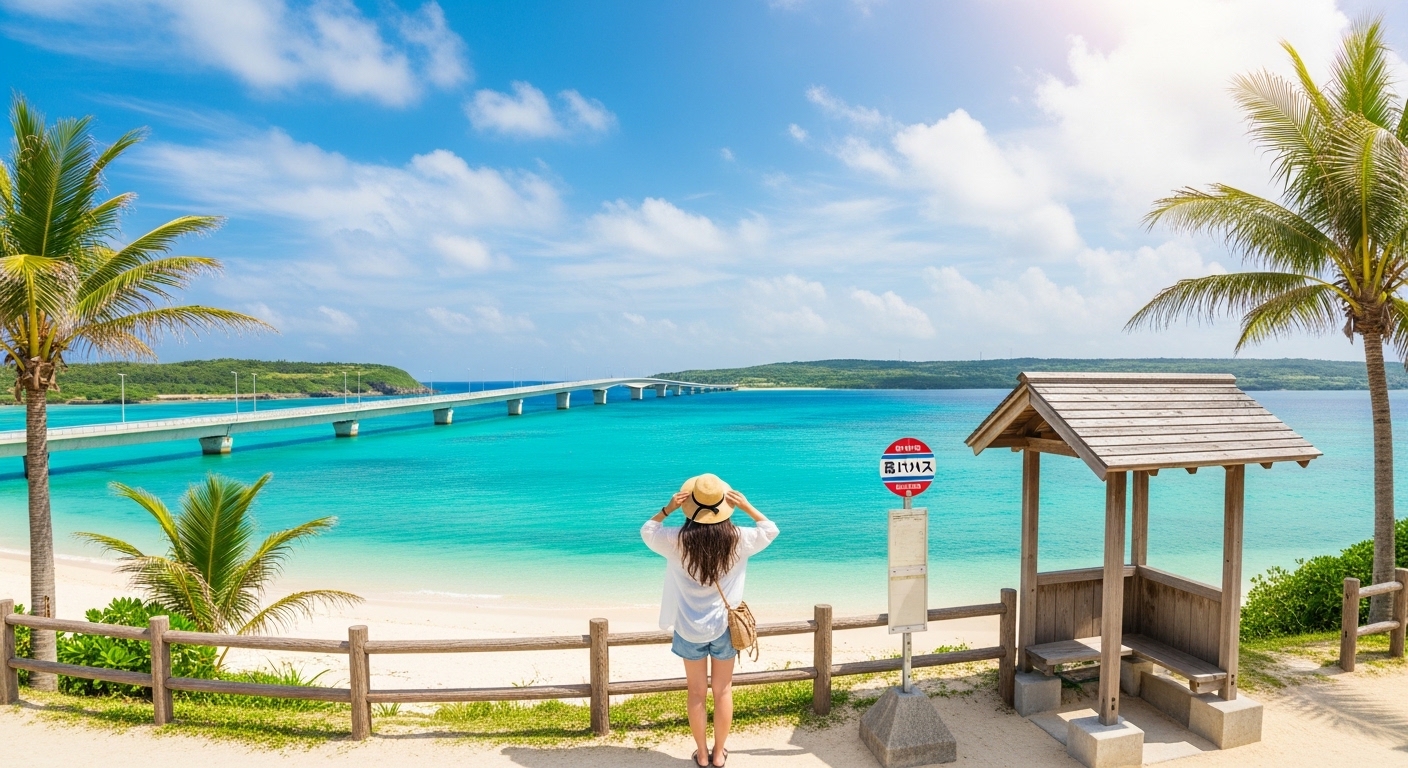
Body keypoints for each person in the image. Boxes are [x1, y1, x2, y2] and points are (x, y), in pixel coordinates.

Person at [642, 473, 778, 768]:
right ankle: (719, 754)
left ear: (690, 505)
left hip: (689, 628)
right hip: (725, 629)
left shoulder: (675, 539)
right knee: (723, 690)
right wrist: (747, 507)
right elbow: (769, 530)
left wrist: (667, 509)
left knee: (696, 692)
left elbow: (648, 530)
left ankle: (701, 755)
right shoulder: (739, 538)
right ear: (725, 504)